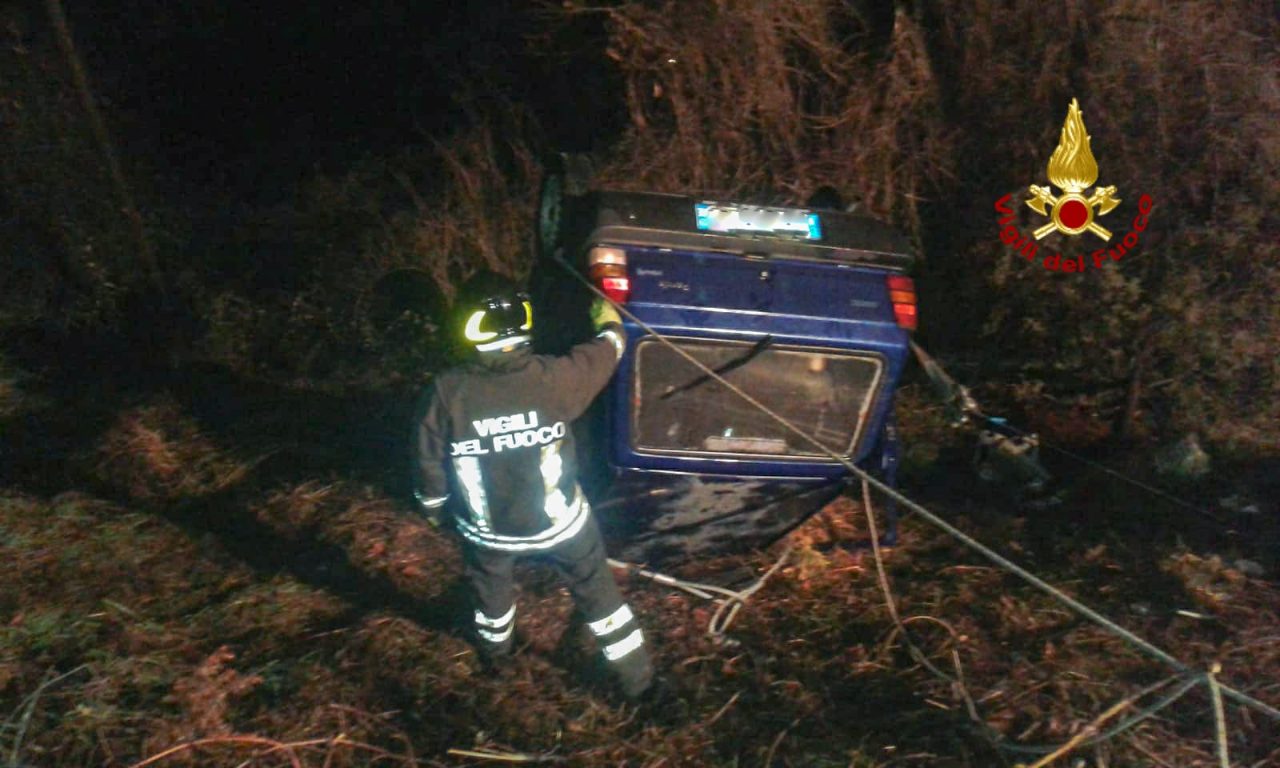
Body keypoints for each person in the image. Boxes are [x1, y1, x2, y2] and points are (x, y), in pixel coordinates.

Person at [412, 270, 654, 701]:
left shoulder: (447, 392)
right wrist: (610, 317)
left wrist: (432, 508)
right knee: (600, 598)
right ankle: (641, 687)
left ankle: (496, 658)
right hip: (563, 526)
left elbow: (427, 462)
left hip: (488, 534)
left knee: (492, 600)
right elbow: (609, 350)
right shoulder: (554, 378)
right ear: (525, 320)